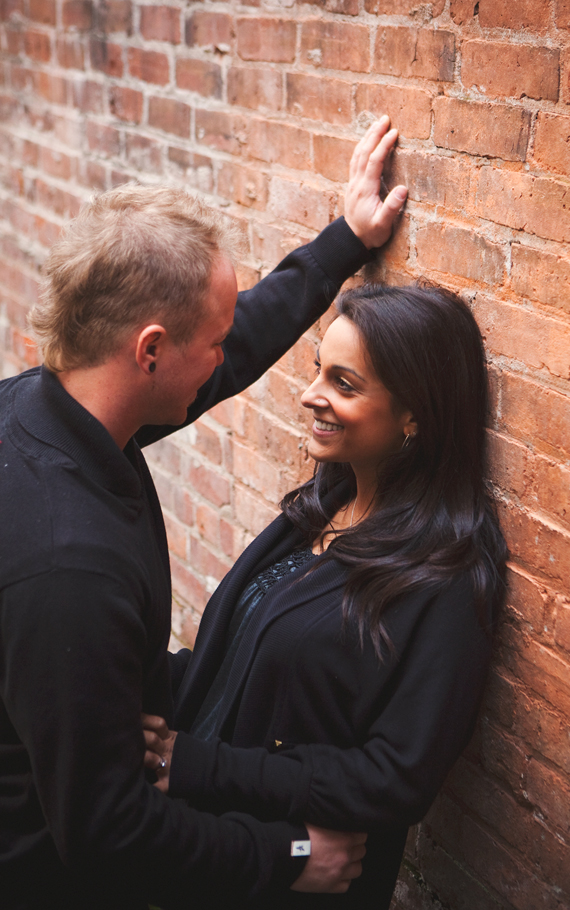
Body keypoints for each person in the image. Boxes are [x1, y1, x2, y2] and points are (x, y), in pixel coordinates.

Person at [0, 117, 408, 910]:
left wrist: (344, 241)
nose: (226, 357)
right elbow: (106, 829)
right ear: (148, 351)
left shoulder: (47, 405)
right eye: (210, 342)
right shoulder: (67, 572)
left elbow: (238, 337)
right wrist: (287, 853)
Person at [144, 277, 509, 909]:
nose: (311, 395)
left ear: (415, 413)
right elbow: (238, 664)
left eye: (344, 383)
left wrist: (200, 764)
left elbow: (397, 779)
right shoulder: (321, 510)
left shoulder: (448, 575)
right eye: (320, 370)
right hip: (207, 852)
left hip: (296, 882)